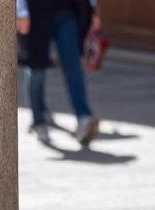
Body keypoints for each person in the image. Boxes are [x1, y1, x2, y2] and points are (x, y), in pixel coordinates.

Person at [16, 0, 100, 147]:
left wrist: (92, 9)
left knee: (72, 64)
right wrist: (21, 11)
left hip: (66, 10)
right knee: (36, 68)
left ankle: (83, 117)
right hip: (36, 12)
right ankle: (39, 120)